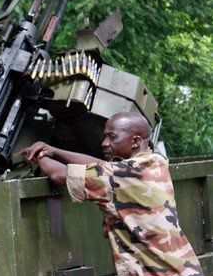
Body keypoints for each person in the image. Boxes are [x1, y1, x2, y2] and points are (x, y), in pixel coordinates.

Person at [20, 112, 203, 276]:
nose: (104, 143)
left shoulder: (120, 175)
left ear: (136, 141)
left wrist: (40, 155)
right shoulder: (155, 161)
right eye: (105, 136)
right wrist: (55, 150)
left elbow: (58, 174)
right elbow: (100, 166)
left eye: (112, 137)